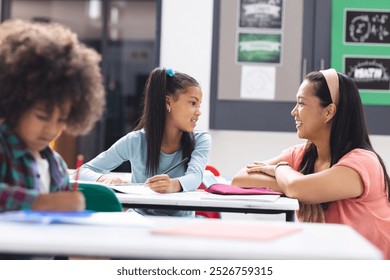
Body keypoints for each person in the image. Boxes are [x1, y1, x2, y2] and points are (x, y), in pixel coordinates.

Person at [232, 69, 390, 259]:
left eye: (301, 103)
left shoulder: (363, 163)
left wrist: (283, 173)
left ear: (329, 111)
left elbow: (297, 186)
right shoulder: (303, 155)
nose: (293, 112)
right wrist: (301, 191)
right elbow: (240, 178)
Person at [0, 19, 105, 213]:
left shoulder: (55, 164)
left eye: (62, 119)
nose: (51, 129)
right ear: (13, 104)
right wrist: (41, 203)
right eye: (42, 116)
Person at [79, 67, 211, 217]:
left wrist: (173, 184)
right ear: (168, 102)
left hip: (182, 226)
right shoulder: (135, 141)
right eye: (193, 103)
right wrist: (103, 178)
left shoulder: (201, 140)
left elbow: (195, 177)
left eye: (199, 105)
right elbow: (82, 171)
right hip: (141, 224)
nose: (198, 112)